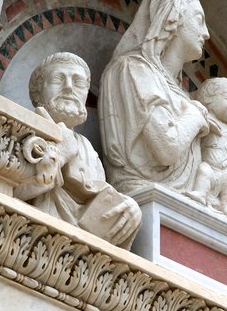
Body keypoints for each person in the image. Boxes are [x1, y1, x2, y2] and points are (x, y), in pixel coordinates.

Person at [16, 52, 141, 248]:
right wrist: (62, 154)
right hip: (37, 238)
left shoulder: (88, 149)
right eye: (58, 79)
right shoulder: (26, 130)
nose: (68, 87)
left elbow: (97, 195)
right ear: (38, 92)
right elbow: (12, 189)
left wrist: (130, 209)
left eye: (78, 83)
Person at [98, 0, 210, 194]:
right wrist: (195, 116)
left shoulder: (180, 93)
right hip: (141, 200)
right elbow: (167, 147)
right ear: (173, 18)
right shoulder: (132, 69)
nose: (206, 33)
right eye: (199, 20)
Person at [191, 77, 227, 222]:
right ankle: (200, 193)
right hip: (209, 169)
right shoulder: (202, 116)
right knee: (203, 170)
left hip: (225, 173)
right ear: (208, 98)